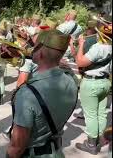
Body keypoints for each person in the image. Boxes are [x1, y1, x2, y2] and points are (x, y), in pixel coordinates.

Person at [6, 30, 78, 157]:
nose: (32, 49)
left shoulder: (27, 94)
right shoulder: (72, 80)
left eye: (36, 46)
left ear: (42, 51)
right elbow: (58, 64)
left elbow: (17, 147)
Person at [75, 25, 112, 155]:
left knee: (90, 115)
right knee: (101, 113)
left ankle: (91, 144)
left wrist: (81, 44)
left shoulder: (98, 47)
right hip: (105, 82)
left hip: (92, 82)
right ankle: (100, 139)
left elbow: (80, 62)